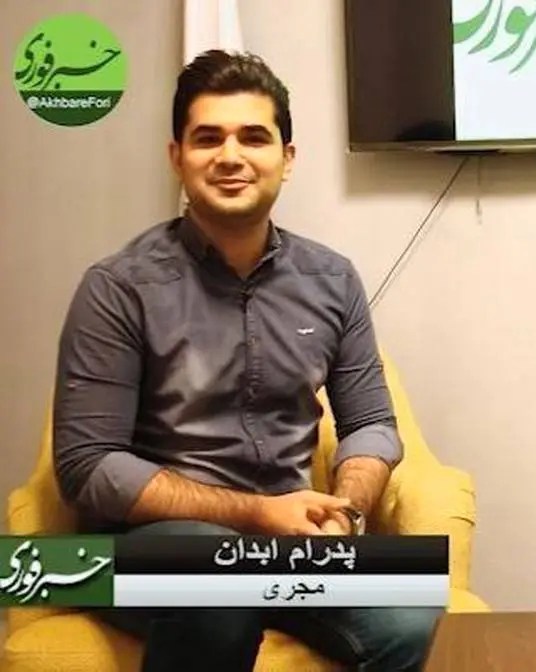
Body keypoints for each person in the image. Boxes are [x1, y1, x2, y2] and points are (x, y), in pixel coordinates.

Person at [51, 50, 438, 672]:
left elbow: (371, 424)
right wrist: (257, 513)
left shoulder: (332, 279)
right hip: (144, 549)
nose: (230, 156)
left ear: (287, 157)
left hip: (290, 541)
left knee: (407, 614)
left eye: (254, 137)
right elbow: (88, 467)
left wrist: (344, 511)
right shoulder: (117, 287)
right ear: (177, 156)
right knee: (220, 591)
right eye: (208, 138)